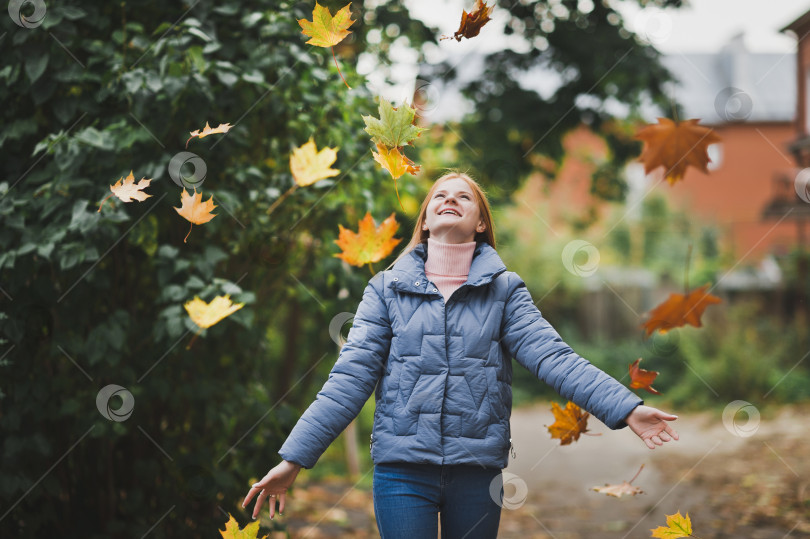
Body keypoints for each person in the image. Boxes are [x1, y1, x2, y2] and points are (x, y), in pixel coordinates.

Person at [242, 171, 679, 537]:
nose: (450, 198)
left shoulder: (505, 291)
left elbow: (555, 358)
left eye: (463, 196)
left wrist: (627, 408)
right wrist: (293, 459)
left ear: (481, 223)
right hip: (401, 470)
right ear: (427, 220)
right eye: (440, 196)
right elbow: (348, 380)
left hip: (477, 473)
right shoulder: (385, 290)